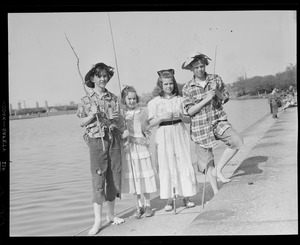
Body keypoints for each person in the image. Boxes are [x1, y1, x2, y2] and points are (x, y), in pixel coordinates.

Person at [181, 52, 244, 195]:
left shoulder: (215, 79)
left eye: (202, 66)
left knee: (237, 140)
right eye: (196, 67)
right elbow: (189, 111)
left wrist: (216, 91)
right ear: (191, 69)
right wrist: (206, 99)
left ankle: (219, 170)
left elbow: (225, 98)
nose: (200, 69)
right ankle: (216, 192)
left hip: (218, 120)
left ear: (205, 65)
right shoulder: (187, 88)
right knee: (207, 161)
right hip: (199, 127)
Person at [76, 62, 125, 235]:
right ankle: (97, 221)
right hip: (97, 142)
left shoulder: (113, 98)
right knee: (99, 178)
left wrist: (119, 122)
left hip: (113, 140)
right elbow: (81, 122)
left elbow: (119, 122)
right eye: (100, 76)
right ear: (92, 78)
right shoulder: (86, 99)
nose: (103, 79)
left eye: (105, 76)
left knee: (113, 176)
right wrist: (91, 114)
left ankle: (111, 215)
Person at [147, 69, 197, 211]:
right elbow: (151, 123)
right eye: (165, 84)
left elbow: (188, 119)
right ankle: (170, 198)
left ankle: (186, 196)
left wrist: (181, 116)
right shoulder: (154, 102)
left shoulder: (180, 100)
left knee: (183, 161)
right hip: (164, 133)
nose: (168, 87)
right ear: (160, 85)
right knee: (166, 163)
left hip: (179, 131)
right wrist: (162, 117)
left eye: (171, 84)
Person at [120, 86, 157, 218]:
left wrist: (143, 139)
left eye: (134, 98)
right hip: (129, 150)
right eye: (129, 98)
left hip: (141, 148)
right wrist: (123, 135)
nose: (132, 101)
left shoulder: (142, 112)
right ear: (124, 100)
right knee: (135, 179)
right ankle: (139, 205)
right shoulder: (122, 115)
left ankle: (148, 205)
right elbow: (119, 132)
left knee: (144, 176)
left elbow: (148, 129)